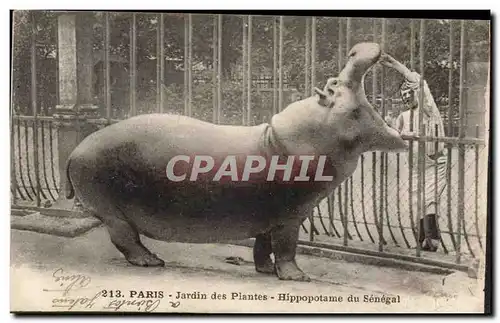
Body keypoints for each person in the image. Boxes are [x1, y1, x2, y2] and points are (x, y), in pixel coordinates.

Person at [379, 53, 448, 252]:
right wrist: (403, 133)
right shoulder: (403, 115)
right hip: (415, 163)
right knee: (417, 199)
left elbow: (419, 83)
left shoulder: (428, 109)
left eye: (410, 93)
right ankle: (422, 240)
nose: (407, 97)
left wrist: (396, 65)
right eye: (404, 95)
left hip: (433, 161)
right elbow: (393, 135)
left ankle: (432, 240)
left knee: (430, 198)